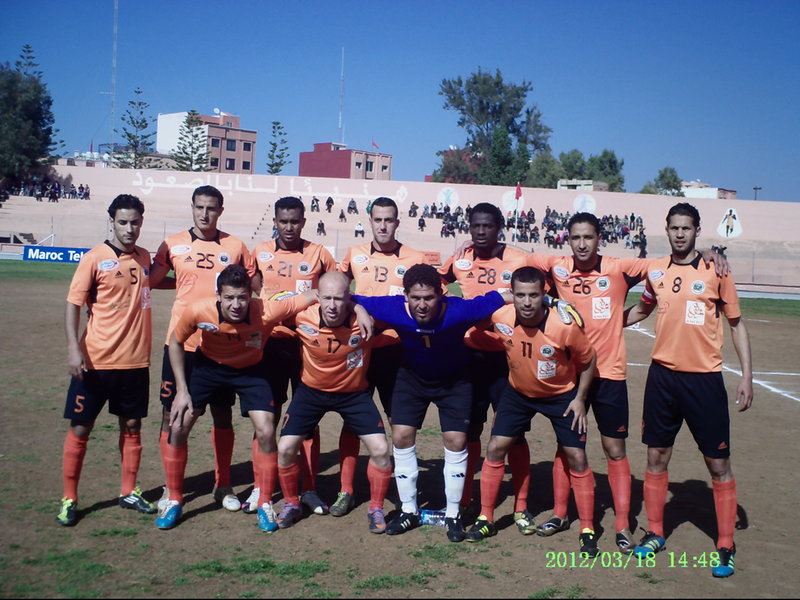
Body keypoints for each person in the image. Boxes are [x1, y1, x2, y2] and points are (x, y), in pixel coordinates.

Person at [625, 203, 752, 578]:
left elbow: (736, 324)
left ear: (697, 230)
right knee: (656, 456)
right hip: (662, 378)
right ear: (666, 230)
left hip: (704, 380)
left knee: (717, 463)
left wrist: (746, 376)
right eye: (674, 228)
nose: (680, 234)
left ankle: (725, 544)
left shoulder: (716, 269)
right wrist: (603, 323)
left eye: (687, 228)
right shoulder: (656, 271)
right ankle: (655, 532)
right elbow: (642, 310)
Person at [352, 264, 511, 543]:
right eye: (415, 298)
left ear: (441, 294)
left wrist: (551, 302)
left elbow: (501, 296)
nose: (422, 305)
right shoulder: (392, 308)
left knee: (456, 440)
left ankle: (453, 514)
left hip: (454, 381)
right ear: (405, 296)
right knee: (401, 436)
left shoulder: (460, 310)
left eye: (429, 298)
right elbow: (346, 296)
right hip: (412, 379)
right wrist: (359, 309)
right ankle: (408, 510)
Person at [155, 265, 318, 530]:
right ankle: (174, 499)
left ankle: (265, 502)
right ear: (218, 295)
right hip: (208, 368)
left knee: (266, 429)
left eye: (242, 297)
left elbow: (314, 295)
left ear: (250, 296)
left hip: (250, 371)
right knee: (179, 424)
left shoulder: (267, 310)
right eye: (229, 297)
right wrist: (182, 391)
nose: (236, 304)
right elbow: (175, 342)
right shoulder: (199, 310)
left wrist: (356, 308)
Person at [464, 267, 598, 556]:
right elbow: (474, 320)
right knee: (496, 447)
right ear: (512, 295)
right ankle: (486, 518)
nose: (527, 302)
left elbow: (589, 360)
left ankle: (587, 528)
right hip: (518, 393)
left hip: (561, 396)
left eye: (534, 295)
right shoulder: (501, 317)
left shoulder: (564, 326)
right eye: (521, 295)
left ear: (544, 294)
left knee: (576, 456)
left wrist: (580, 399)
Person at [149, 185, 256, 514]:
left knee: (222, 413)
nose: (205, 214)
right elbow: (153, 279)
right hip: (181, 344)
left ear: (220, 211)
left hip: (222, 344)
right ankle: (171, 487)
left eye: (211, 208)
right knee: (172, 414)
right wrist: (182, 284)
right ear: (192, 207)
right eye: (199, 207)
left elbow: (253, 287)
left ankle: (223, 484)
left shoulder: (235, 246)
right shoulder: (172, 244)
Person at [58, 194, 156, 526]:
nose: (130, 228)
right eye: (123, 222)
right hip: (96, 362)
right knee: (81, 426)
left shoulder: (144, 257)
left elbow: (159, 281)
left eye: (135, 222)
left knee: (132, 426)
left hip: (135, 362)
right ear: (112, 222)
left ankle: (129, 491)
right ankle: (69, 498)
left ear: (141, 222)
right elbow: (73, 304)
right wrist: (74, 349)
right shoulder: (94, 258)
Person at [439, 202, 535, 533]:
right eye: (476, 226)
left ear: (499, 228)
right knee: (470, 431)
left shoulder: (519, 259)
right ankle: (466, 499)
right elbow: (436, 281)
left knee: (514, 434)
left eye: (488, 226)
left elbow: (539, 290)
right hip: (470, 357)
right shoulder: (460, 259)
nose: (481, 231)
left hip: (509, 358)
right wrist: (452, 308)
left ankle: (521, 506)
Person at [275, 272, 393, 533]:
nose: (332, 305)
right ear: (317, 297)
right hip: (310, 393)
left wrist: (360, 309)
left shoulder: (367, 321)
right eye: (326, 298)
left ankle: (376, 508)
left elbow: (401, 315)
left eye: (339, 299)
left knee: (381, 449)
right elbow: (272, 308)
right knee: (284, 448)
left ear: (349, 298)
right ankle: (292, 503)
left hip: (354, 395)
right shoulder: (302, 317)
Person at [335, 197, 428, 517]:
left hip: (397, 353)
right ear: (370, 222)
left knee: (398, 424)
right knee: (352, 420)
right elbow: (338, 291)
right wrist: (357, 308)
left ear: (397, 222)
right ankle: (346, 490)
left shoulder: (415, 258)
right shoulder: (354, 254)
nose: (383, 225)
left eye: (389, 220)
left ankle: (403, 491)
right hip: (360, 351)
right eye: (378, 220)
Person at [247, 196, 337, 516]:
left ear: (303, 222)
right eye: (283, 221)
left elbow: (335, 290)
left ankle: (309, 488)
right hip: (269, 346)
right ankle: (261, 487)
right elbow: (253, 290)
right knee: (266, 419)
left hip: (306, 347)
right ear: (275, 221)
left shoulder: (319, 254)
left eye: (295, 221)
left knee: (307, 421)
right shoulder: (260, 252)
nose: (289, 227)